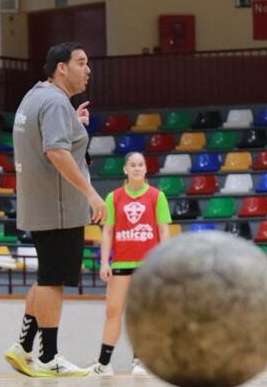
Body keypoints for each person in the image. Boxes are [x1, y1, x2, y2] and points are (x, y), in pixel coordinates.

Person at [4, 42, 107, 377]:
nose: (87, 69)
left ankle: (23, 347)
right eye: (81, 62)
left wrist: (73, 124)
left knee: (46, 275)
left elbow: (47, 137)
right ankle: (49, 356)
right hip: (60, 205)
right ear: (62, 67)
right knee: (53, 280)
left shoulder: (36, 96)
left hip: (41, 203)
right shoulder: (54, 102)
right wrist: (91, 193)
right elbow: (57, 152)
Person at [84, 152, 171, 376]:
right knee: (113, 312)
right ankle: (104, 364)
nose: (136, 168)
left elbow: (163, 230)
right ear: (125, 169)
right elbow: (108, 232)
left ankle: (140, 361)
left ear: (145, 169)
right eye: (132, 165)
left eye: (140, 164)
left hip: (148, 266)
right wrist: (105, 262)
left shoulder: (156, 196)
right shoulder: (114, 197)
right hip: (121, 264)